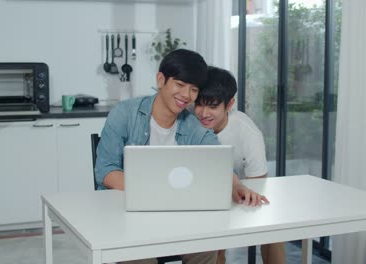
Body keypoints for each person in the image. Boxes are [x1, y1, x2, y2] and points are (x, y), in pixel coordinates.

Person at [95, 49, 268, 264]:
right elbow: (105, 170)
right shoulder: (124, 113)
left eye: (193, 89)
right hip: (129, 215)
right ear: (161, 80)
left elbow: (219, 162)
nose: (186, 95)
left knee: (206, 249)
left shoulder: (193, 125)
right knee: (138, 258)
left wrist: (236, 186)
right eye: (179, 84)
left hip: (177, 216)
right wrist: (153, 190)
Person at [194, 66, 286, 264]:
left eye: (212, 107)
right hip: (202, 194)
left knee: (274, 231)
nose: (203, 113)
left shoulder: (248, 133)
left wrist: (239, 194)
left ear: (229, 105)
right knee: (214, 246)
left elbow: (258, 184)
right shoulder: (188, 122)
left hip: (241, 195)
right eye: (199, 105)